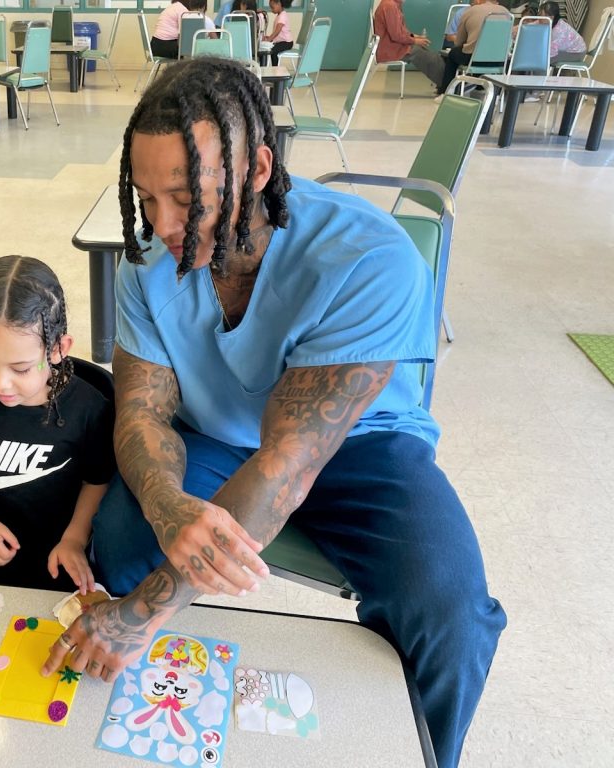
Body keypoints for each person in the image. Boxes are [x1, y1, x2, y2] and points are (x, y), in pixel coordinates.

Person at [40, 58, 506, 768]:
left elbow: (287, 467)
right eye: (145, 196)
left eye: (182, 197)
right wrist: (166, 503)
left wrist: (140, 616)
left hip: (361, 447)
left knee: (451, 617)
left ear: (257, 169)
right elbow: (138, 415)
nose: (161, 225)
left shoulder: (369, 260)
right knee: (124, 540)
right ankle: (129, 739)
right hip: (215, 431)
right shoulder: (146, 255)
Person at [0, 256, 116, 593]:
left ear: (59, 349)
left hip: (63, 551)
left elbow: (96, 482)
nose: (0, 383)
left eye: (21, 368)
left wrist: (74, 539)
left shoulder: (89, 408)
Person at [374, 0, 445, 92]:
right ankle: (446, 86)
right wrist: (415, 41)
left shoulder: (393, 4)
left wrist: (414, 36)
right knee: (428, 57)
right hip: (391, 50)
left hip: (394, 46)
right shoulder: (389, 6)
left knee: (428, 54)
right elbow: (396, 35)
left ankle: (444, 84)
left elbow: (400, 30)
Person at [441, 0, 511, 93]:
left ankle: (445, 92)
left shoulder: (469, 11)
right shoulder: (506, 12)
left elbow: (459, 41)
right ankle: (483, 89)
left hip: (473, 59)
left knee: (453, 54)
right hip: (500, 61)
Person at [260, 0, 294, 65]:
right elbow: (278, 34)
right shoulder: (279, 15)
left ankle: (275, 69)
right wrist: (269, 38)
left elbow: (277, 31)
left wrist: (269, 39)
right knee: (271, 49)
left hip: (287, 43)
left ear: (278, 4)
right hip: (282, 42)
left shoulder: (282, 16)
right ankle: (273, 68)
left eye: (272, 7)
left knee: (272, 50)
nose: (271, 10)